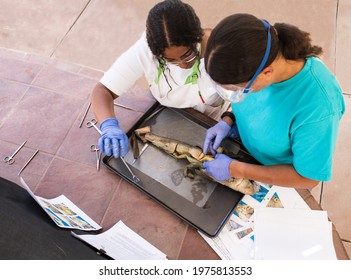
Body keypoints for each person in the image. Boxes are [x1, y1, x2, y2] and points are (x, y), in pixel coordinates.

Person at [202, 13, 345, 189]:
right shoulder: (257, 54)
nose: (236, 94)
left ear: (266, 72)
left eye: (239, 88)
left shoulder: (319, 108)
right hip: (248, 148)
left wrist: (235, 169)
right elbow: (246, 104)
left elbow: (307, 178)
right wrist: (228, 120)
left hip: (275, 172)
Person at [91, 0, 227, 159]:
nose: (183, 65)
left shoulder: (219, 47)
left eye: (187, 55)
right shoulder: (145, 51)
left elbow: (246, 91)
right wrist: (108, 124)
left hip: (218, 115)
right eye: (171, 60)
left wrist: (228, 120)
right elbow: (103, 90)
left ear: (197, 36)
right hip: (173, 114)